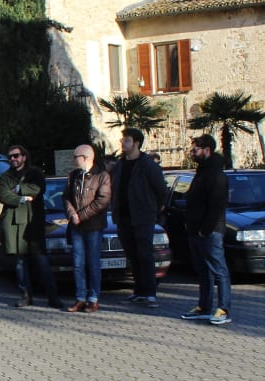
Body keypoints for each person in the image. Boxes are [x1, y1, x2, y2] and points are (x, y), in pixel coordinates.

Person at [0, 146, 60, 309]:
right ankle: (26, 295)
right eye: (10, 156)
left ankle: (52, 297)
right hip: (14, 225)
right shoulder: (5, 176)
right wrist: (22, 198)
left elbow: (38, 188)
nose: (13, 159)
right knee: (20, 264)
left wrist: (18, 189)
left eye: (16, 156)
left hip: (33, 223)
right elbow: (3, 195)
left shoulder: (35, 173)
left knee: (42, 261)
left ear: (24, 157)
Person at [111, 127, 167, 308]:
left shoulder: (148, 165)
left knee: (145, 254)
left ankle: (150, 293)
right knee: (132, 255)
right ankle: (138, 291)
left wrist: (154, 210)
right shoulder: (120, 165)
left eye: (126, 140)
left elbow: (161, 190)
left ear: (136, 143)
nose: (122, 143)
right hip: (123, 217)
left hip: (142, 217)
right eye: (122, 139)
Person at [180, 135, 233, 325]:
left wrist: (205, 230)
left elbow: (217, 206)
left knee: (219, 270)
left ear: (207, 150)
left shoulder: (216, 175)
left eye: (196, 149)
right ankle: (204, 306)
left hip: (209, 231)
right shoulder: (201, 172)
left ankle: (223, 308)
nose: (192, 152)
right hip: (195, 230)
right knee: (203, 271)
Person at [64, 144, 111, 314]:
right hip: (76, 227)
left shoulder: (102, 176)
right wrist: (72, 214)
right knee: (78, 264)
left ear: (86, 158)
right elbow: (66, 197)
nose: (73, 160)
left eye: (76, 157)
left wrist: (81, 216)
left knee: (92, 263)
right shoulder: (73, 176)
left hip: (93, 226)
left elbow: (102, 200)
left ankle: (93, 299)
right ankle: (80, 298)